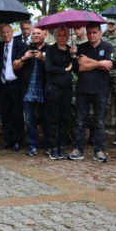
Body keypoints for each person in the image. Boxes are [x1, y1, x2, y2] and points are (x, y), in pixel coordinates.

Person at [68, 22, 114, 162]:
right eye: (89, 32)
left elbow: (108, 66)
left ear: (100, 32)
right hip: (84, 89)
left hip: (101, 90)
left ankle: (99, 150)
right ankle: (78, 149)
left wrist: (89, 61)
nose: (91, 35)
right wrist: (99, 63)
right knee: (80, 121)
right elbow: (81, 68)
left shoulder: (107, 46)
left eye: (94, 32)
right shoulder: (81, 48)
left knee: (99, 122)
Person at [13, 26, 50, 156]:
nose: (35, 35)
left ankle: (48, 145)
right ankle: (32, 145)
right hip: (28, 89)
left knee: (46, 119)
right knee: (29, 119)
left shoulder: (49, 49)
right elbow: (15, 66)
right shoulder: (26, 48)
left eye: (38, 33)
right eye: (34, 33)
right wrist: (24, 58)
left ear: (45, 34)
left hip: (44, 89)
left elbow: (54, 68)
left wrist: (43, 59)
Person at [0, 24, 26, 151]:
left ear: (12, 32)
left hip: (15, 84)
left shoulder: (20, 45)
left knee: (17, 114)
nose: (5, 35)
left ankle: (18, 141)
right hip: (3, 85)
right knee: (5, 115)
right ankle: (8, 140)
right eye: (3, 33)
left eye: (7, 32)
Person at [44, 26, 77, 159]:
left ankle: (61, 146)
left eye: (64, 35)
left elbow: (75, 68)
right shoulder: (50, 49)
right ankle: (54, 147)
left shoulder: (70, 50)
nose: (62, 38)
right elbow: (48, 67)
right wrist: (64, 69)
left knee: (64, 118)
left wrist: (74, 56)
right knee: (54, 119)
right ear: (56, 36)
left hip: (67, 88)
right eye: (60, 35)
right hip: (53, 87)